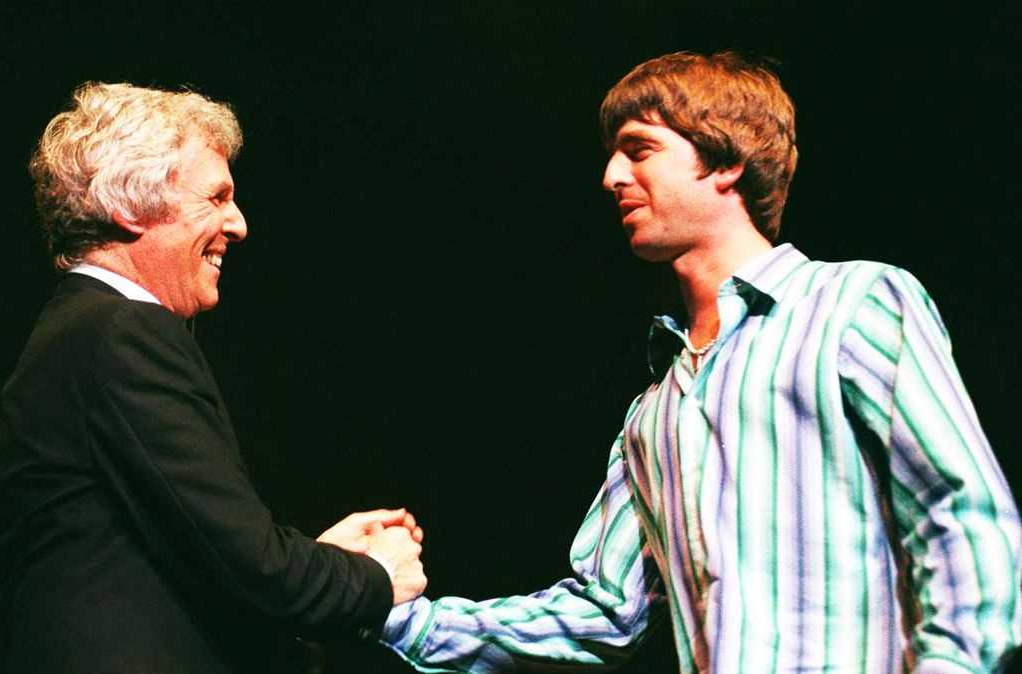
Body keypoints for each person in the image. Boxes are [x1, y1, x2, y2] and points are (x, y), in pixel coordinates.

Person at [380, 51, 1021, 673]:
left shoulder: (852, 303)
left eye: (639, 150)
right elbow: (603, 612)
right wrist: (374, 609)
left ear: (724, 161)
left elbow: (960, 515)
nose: (611, 177)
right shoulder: (653, 412)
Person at [0, 81, 426, 674]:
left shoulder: (84, 331)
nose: (238, 224)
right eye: (216, 198)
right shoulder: (122, 332)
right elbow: (252, 569)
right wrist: (374, 578)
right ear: (131, 208)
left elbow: (190, 557)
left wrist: (316, 559)